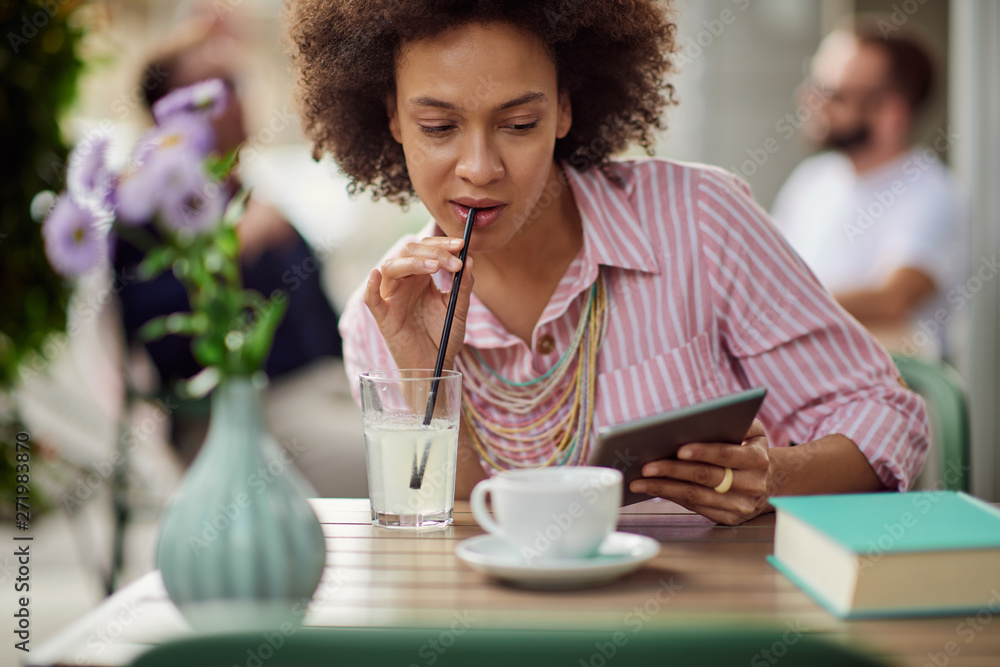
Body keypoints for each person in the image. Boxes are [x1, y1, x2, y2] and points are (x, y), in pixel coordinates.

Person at [287, 0, 929, 525]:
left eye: (518, 124)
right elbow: (438, 539)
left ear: (565, 108)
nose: (480, 168)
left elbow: (885, 411)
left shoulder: (697, 219)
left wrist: (776, 478)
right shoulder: (384, 316)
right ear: (393, 119)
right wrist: (429, 375)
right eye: (438, 127)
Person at [115, 20, 365, 496]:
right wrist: (234, 250)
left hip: (328, 391)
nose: (238, 97)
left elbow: (323, 318)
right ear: (168, 113)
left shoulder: (244, 194)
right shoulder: (145, 208)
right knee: (417, 467)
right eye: (217, 88)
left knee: (444, 434)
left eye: (238, 82)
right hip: (240, 415)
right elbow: (162, 339)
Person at [771, 20, 964, 359]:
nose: (807, 99)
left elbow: (893, 300)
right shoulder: (811, 180)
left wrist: (778, 305)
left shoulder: (933, 193)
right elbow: (768, 274)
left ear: (891, 113)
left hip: (888, 396)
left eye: (831, 92)